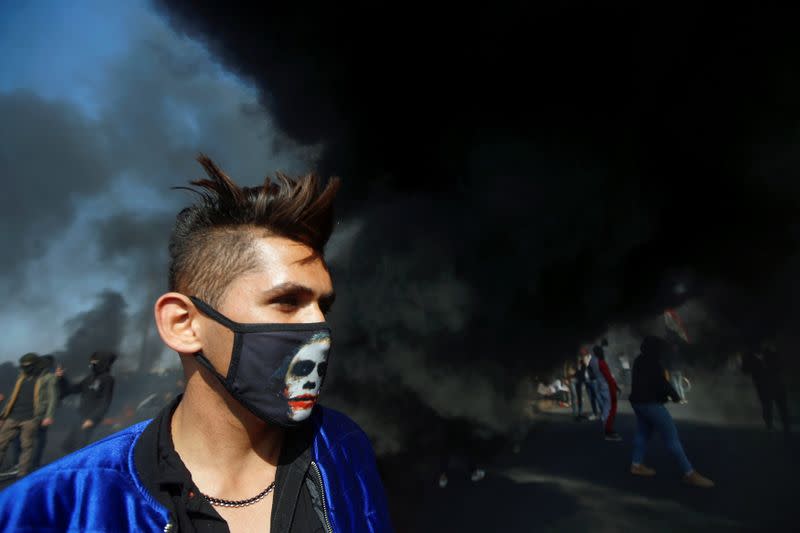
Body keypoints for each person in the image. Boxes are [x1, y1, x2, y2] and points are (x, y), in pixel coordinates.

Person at [0, 155, 392, 532]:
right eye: (287, 301)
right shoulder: (54, 510)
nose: (319, 327)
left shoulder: (342, 447)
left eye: (323, 305)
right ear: (183, 325)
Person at [628, 336, 714, 488]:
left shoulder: (639, 360)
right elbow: (662, 383)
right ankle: (690, 474)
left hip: (637, 402)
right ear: (656, 350)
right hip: (650, 403)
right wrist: (675, 396)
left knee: (643, 432)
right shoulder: (654, 363)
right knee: (671, 437)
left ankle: (636, 465)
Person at [0, 353, 57, 478]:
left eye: (28, 366)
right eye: (23, 366)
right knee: (1, 442)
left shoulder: (48, 378)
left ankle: (22, 473)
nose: (25, 368)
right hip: (13, 416)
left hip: (31, 417)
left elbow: (52, 398)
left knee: (26, 445)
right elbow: (13, 398)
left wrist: (48, 416)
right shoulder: (21, 377)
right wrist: (3, 416)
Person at [57, 350, 117, 453]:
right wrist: (62, 378)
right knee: (68, 446)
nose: (91, 364)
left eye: (95, 362)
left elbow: (105, 402)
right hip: (80, 416)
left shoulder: (107, 379)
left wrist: (92, 419)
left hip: (90, 419)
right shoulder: (90, 378)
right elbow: (73, 389)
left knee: (80, 448)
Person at [742, 340, 790, 436]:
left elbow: (780, 365)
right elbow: (745, 369)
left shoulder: (768, 352)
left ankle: (782, 426)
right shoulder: (751, 355)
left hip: (772, 383)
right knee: (771, 405)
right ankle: (775, 426)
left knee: (777, 404)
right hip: (767, 383)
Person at [594, 346, 622, 441]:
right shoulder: (602, 363)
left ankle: (606, 426)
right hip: (607, 386)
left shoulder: (593, 362)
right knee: (611, 408)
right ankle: (608, 431)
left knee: (606, 407)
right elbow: (608, 377)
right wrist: (615, 386)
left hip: (600, 385)